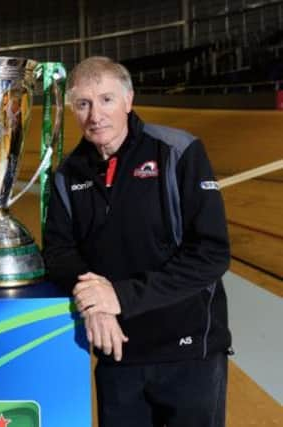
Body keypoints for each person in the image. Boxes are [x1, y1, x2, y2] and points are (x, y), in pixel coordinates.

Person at [43, 56, 231, 427]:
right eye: (83, 104)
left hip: (189, 351)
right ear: (73, 110)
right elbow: (59, 253)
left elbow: (211, 253)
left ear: (129, 100)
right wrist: (95, 305)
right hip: (118, 353)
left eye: (107, 99)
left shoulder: (178, 151)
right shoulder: (66, 175)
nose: (95, 114)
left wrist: (120, 296)